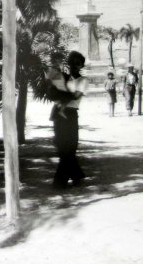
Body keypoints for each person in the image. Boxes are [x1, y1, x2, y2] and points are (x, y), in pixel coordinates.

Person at [47, 50, 88, 188]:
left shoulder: (83, 80)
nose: (74, 65)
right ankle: (76, 175)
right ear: (68, 63)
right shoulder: (62, 76)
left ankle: (59, 182)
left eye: (78, 63)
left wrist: (61, 94)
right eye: (72, 62)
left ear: (82, 65)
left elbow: (76, 96)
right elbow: (51, 93)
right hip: (58, 113)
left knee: (70, 147)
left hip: (71, 114)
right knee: (61, 147)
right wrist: (59, 92)